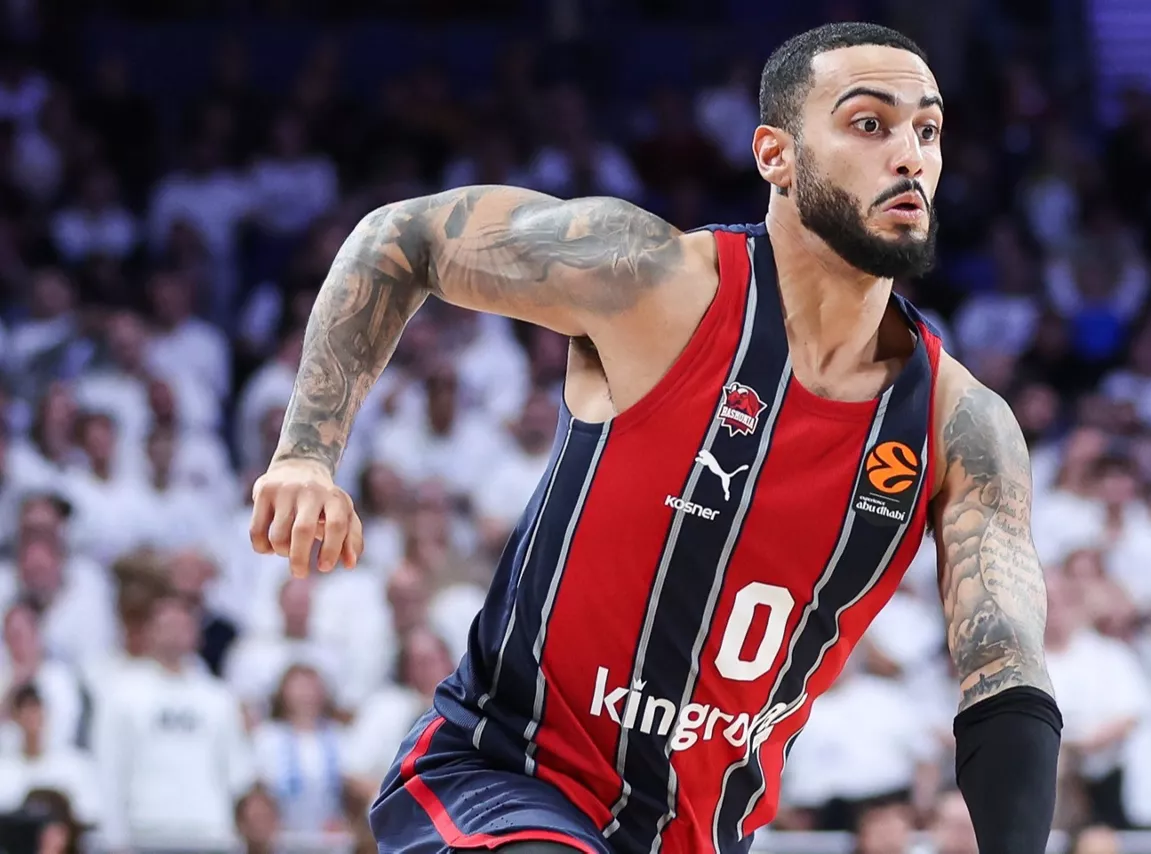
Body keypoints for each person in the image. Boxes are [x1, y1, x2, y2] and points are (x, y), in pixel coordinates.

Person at [249, 22, 1061, 854]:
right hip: (507, 780)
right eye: (868, 124)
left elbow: (1005, 672)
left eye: (927, 130)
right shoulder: (656, 283)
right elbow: (404, 237)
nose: (910, 156)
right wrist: (307, 451)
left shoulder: (962, 427)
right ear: (774, 155)